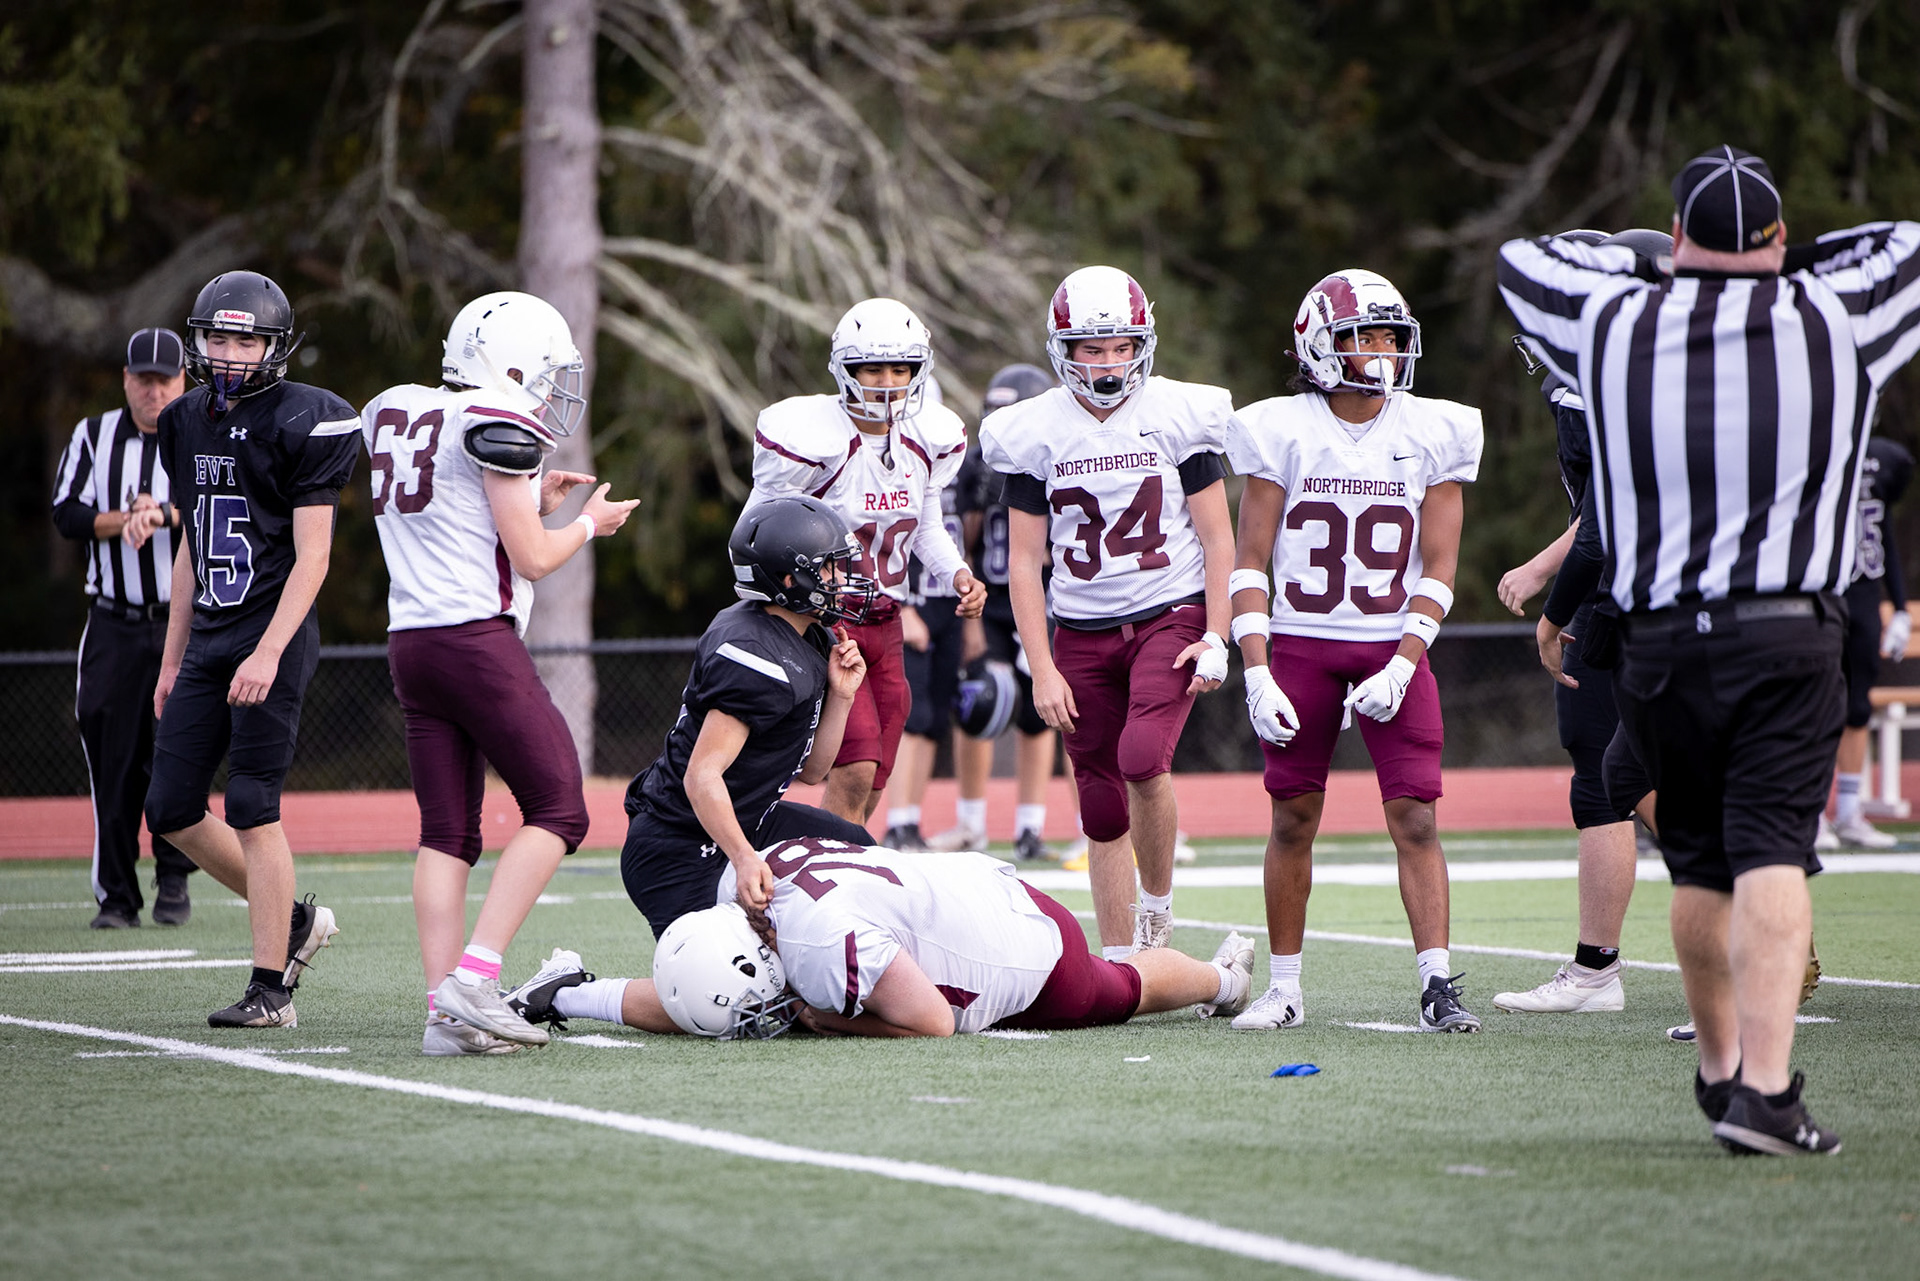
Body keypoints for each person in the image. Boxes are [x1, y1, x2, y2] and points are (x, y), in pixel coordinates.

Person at [1499, 143, 1920, 1155]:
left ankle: (1720, 1069)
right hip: (1787, 627)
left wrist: (1675, 267)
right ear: (1777, 239)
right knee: (1772, 846)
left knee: (1696, 859)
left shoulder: (1615, 321)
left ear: (1675, 239)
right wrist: (1775, 261)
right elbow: (1903, 243)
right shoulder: (1835, 314)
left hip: (1659, 635)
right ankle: (1767, 1096)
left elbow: (1528, 259)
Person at [361, 290, 638, 1056]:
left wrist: (529, 496)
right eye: (543, 374)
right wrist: (588, 523)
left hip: (412, 641)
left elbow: (453, 510)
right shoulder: (495, 416)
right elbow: (534, 558)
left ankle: (443, 1018)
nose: (549, 392)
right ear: (509, 365)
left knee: (447, 831)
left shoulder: (400, 409)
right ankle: (475, 979)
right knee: (561, 806)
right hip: (473, 641)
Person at [1225, 268, 1485, 1034]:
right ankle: (1284, 986)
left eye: (1389, 337)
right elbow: (1249, 560)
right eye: (1362, 336)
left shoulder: (1433, 429)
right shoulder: (1281, 427)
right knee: (1292, 818)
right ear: (1318, 342)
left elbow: (1439, 567)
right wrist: (1256, 670)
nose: (1380, 352)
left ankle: (1438, 982)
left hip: (1389, 644)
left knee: (1417, 818)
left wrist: (1406, 660)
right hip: (1302, 643)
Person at [982, 267, 1235, 957]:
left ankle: (1156, 909)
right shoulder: (1034, 432)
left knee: (1142, 757)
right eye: (1091, 349)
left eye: (1119, 345)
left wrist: (1218, 633)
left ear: (1142, 344)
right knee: (1098, 802)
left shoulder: (1180, 414)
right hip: (1081, 630)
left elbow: (1218, 538)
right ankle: (1122, 959)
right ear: (1063, 350)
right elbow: (1024, 563)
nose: (1107, 361)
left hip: (1167, 612)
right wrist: (1040, 666)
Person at [144, 270, 358, 1029]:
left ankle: (272, 990)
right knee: (169, 806)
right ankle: (295, 922)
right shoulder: (184, 421)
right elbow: (190, 546)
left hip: (274, 632)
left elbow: (314, 558)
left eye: (246, 339)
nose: (231, 353)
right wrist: (172, 658)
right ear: (197, 341)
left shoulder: (305, 419)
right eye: (219, 338)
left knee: (251, 804)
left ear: (274, 346)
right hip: (208, 633)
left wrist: (267, 651)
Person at [503, 837, 1255, 1039]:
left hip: (1020, 946)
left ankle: (1223, 981)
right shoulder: (746, 895)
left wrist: (823, 1018)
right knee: (745, 1004)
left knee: (1115, 987)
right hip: (948, 887)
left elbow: (930, 1023)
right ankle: (570, 991)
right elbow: (707, 990)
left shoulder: (822, 948)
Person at [1491, 231, 1670, 1015]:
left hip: (1623, 592)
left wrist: (1552, 600)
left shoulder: (1602, 376)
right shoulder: (1684, 368)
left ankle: (1603, 968)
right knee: (1635, 767)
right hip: (1695, 590)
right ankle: (1749, 893)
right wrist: (1545, 563)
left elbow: (1611, 514)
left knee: (1604, 769)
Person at [748, 299, 987, 827]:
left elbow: (923, 525)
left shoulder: (928, 438)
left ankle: (834, 868)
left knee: (876, 776)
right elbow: (753, 534)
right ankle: (828, 881)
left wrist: (957, 574)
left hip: (888, 619)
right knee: (854, 767)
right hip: (828, 624)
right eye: (872, 368)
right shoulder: (813, 439)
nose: (886, 381)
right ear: (845, 370)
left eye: (899, 368)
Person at [619, 496, 881, 940]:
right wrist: (743, 857)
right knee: (724, 988)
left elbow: (814, 772)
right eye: (829, 568)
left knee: (863, 857)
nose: (841, 579)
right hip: (678, 843)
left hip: (749, 819)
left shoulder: (807, 637)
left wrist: (840, 696)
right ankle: (568, 991)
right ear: (789, 578)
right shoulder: (755, 652)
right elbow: (702, 775)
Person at [52, 328, 198, 929]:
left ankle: (173, 878)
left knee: (178, 755)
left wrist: (160, 514)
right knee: (112, 761)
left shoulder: (198, 433)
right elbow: (67, 514)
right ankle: (116, 896)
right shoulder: (93, 436)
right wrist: (123, 521)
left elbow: (225, 502)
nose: (154, 389)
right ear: (126, 379)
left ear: (182, 381)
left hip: (180, 625)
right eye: (144, 378)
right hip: (113, 622)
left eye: (165, 378)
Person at [934, 364, 1062, 859]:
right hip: (989, 600)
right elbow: (962, 541)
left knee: (1040, 713)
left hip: (1045, 598)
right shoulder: (973, 465)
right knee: (977, 704)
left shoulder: (1058, 456)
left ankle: (1030, 828)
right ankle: (971, 824)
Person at [1821, 434, 1914, 849]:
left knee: (1857, 706)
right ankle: (1809, 814)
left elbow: (1885, 535)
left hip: (1862, 594)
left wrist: (1898, 607)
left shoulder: (1882, 457)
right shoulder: (1810, 444)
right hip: (1821, 592)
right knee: (1815, 705)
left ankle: (1846, 812)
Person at [879, 439, 968, 853]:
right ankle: (896, 823)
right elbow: (895, 537)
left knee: (933, 720)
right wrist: (906, 606)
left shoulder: (958, 468)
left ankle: (911, 821)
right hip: (913, 602)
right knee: (910, 719)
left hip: (950, 605)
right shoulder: (898, 467)